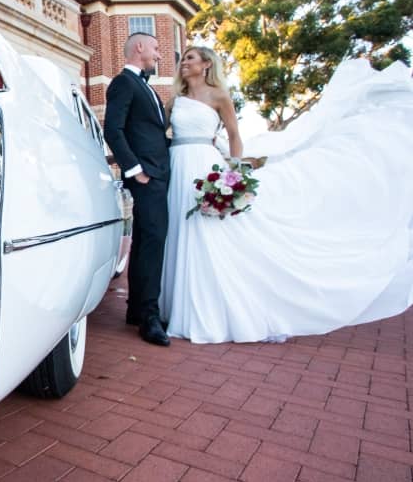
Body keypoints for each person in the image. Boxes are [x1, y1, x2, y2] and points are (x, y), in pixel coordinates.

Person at [161, 47, 413, 343]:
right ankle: (174, 307)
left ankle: (207, 310)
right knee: (177, 231)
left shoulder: (219, 96)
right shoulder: (174, 101)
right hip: (176, 166)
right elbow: (160, 134)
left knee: (205, 234)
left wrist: (233, 174)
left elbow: (234, 136)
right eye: (184, 59)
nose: (184, 62)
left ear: (205, 64)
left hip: (204, 166)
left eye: (191, 58)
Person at [104, 32, 171, 346]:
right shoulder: (123, 83)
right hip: (146, 176)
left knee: (146, 241)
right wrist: (135, 170)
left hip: (159, 174)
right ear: (140, 48)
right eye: (156, 48)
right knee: (152, 243)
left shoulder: (147, 87)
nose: (159, 55)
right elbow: (113, 129)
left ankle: (137, 310)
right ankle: (149, 317)